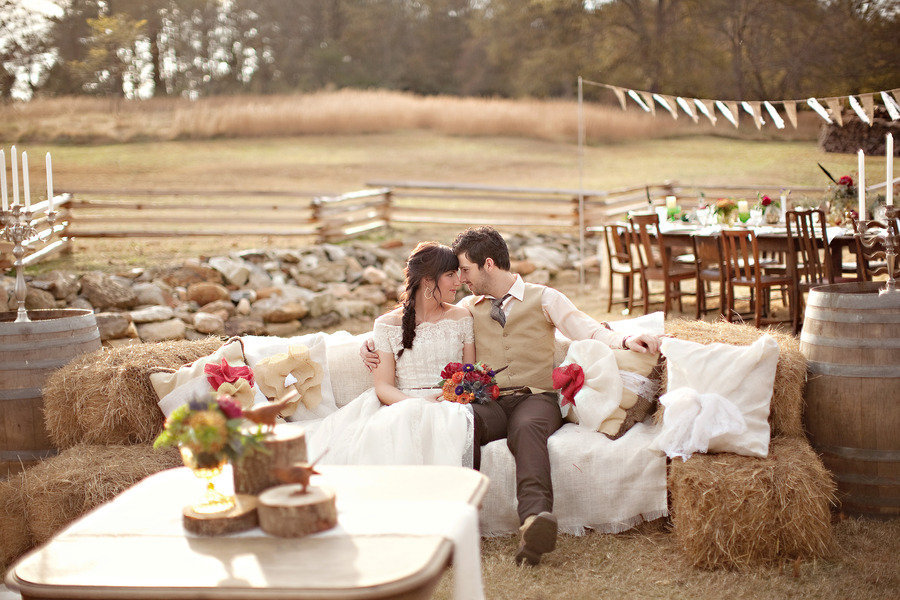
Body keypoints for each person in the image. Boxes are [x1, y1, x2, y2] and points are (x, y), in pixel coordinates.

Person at [362, 227, 662, 566]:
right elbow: (417, 321)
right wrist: (368, 345)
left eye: (465, 269)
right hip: (486, 401)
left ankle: (535, 521)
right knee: (458, 424)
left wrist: (625, 340)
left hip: (535, 398)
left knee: (527, 430)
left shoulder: (545, 297)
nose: (461, 278)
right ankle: (455, 525)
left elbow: (586, 328)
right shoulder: (467, 307)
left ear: (488, 264)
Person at [306, 241, 477, 467]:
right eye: (450, 275)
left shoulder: (462, 317)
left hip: (450, 403)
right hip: (402, 404)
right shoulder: (386, 325)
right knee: (400, 428)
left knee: (444, 423)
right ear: (428, 280)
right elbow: (383, 387)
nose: (459, 281)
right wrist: (418, 405)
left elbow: (469, 373)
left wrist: (448, 399)